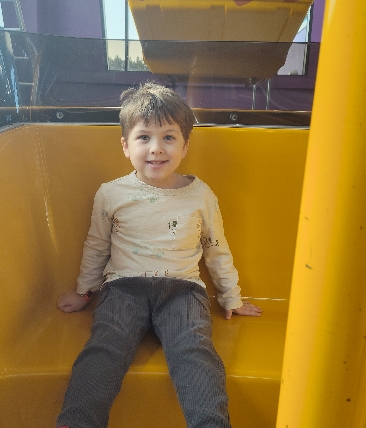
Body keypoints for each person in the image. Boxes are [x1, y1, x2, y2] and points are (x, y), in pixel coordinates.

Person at [56, 82, 262, 428]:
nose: (156, 148)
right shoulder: (111, 194)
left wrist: (231, 297)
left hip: (183, 291)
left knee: (194, 350)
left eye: (168, 137)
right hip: (123, 288)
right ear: (126, 145)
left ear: (185, 146)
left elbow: (216, 247)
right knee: (106, 346)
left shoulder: (200, 195)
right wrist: (84, 292)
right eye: (143, 137)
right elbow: (97, 245)